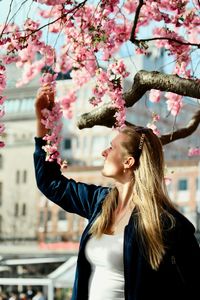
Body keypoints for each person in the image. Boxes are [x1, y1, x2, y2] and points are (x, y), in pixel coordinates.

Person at [33, 85, 200, 300]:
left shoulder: (169, 225)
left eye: (111, 148)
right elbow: (50, 182)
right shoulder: (99, 203)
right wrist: (42, 123)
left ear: (129, 162)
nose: (103, 152)